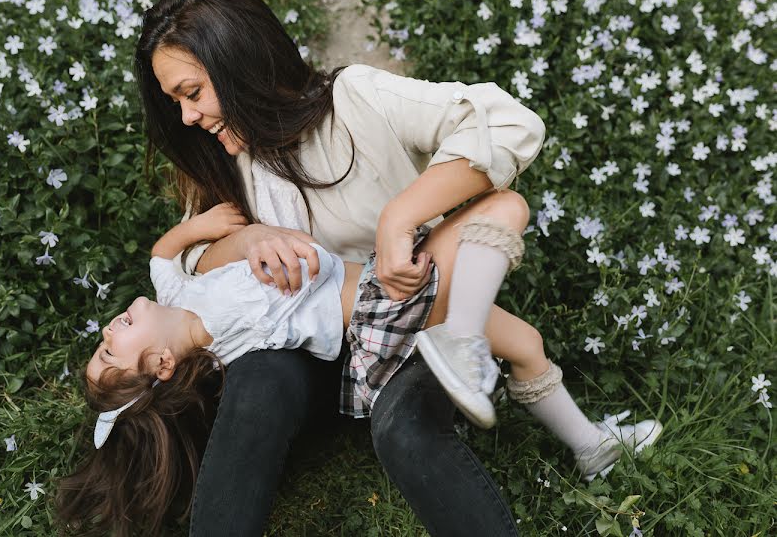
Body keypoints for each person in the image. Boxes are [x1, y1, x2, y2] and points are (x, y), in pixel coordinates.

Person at [117, 0, 659, 536]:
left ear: (238, 61)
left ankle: (562, 436)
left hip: (405, 317)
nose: (186, 118)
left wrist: (401, 216)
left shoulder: (354, 100)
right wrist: (244, 241)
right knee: (258, 383)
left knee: (407, 429)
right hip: (306, 350)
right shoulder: (220, 160)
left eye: (192, 93)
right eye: (175, 101)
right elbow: (184, 264)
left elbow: (508, 123)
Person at [56, 198, 662, 536]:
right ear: (163, 365)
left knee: (526, 341)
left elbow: (163, 252)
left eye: (103, 340)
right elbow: (260, 395)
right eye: (111, 350)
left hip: (387, 291)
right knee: (501, 211)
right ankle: (463, 341)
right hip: (377, 317)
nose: (108, 329)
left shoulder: (180, 291)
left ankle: (590, 446)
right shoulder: (231, 345)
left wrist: (205, 228)